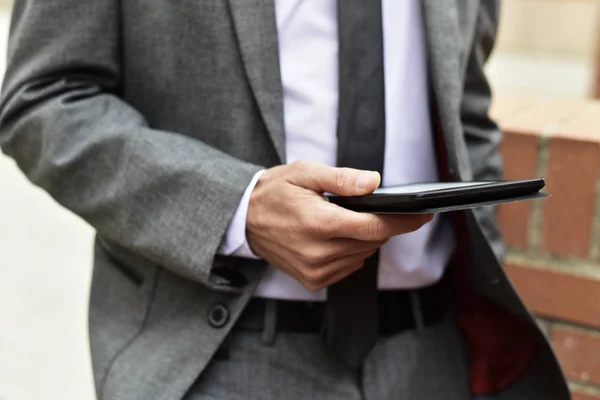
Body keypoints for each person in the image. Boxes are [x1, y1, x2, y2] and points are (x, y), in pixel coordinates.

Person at [0, 1, 569, 399]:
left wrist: (484, 329)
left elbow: (466, 111)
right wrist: (236, 209)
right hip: (222, 354)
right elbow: (45, 99)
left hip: (434, 355)